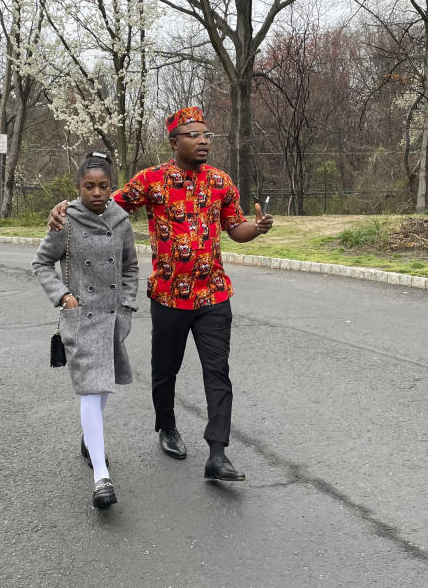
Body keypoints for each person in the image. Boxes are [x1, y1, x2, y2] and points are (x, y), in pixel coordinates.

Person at [48, 107, 273, 482]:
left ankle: (217, 454)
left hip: (213, 295)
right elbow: (101, 203)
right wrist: (63, 210)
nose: (203, 140)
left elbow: (236, 228)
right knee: (165, 370)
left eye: (206, 134)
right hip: (168, 297)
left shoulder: (220, 182)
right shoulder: (151, 180)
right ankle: (167, 427)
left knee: (218, 371)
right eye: (194, 135)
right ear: (174, 142)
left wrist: (258, 228)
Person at [32, 151, 139, 509]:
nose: (96, 192)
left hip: (111, 317)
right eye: (88, 186)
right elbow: (42, 263)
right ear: (77, 188)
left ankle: (88, 439)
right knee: (91, 390)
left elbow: (130, 267)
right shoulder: (67, 220)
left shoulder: (121, 220)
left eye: (103, 186)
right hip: (80, 319)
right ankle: (100, 478)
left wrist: (127, 304)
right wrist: (63, 296)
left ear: (111, 187)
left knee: (103, 385)